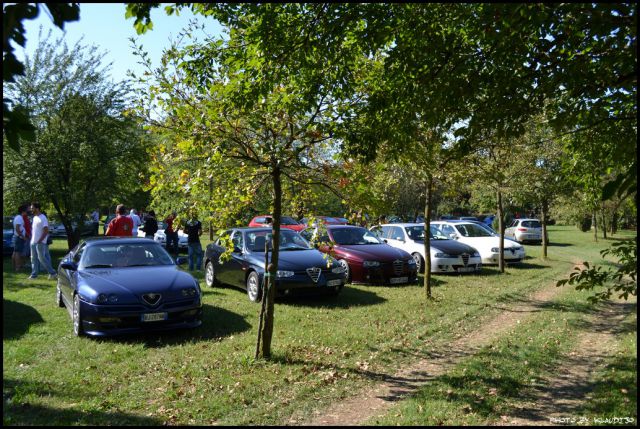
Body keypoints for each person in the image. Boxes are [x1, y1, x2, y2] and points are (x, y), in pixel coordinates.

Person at [28, 202, 57, 280]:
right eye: (31, 208)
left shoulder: (43, 218)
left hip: (40, 242)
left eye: (32, 208)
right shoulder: (34, 218)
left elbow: (46, 231)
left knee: (41, 258)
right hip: (33, 242)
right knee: (33, 258)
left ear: (37, 209)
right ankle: (34, 275)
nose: (31, 209)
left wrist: (40, 240)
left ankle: (53, 273)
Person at [12, 204, 29, 271]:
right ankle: (17, 267)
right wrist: (22, 236)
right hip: (19, 238)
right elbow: (17, 228)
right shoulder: (19, 218)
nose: (28, 211)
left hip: (18, 237)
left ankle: (15, 266)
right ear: (23, 211)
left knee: (15, 252)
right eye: (27, 210)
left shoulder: (19, 217)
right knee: (18, 253)